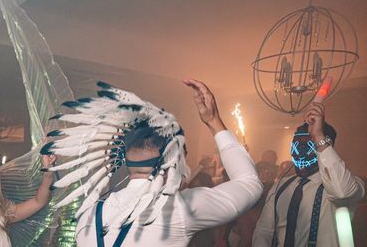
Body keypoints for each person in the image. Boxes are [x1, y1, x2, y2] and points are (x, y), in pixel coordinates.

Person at [46, 79, 263, 247]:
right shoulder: (179, 208)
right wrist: (214, 121)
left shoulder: (91, 212)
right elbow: (250, 184)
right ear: (172, 163)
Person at [252, 101, 365, 247]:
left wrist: (318, 136)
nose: (301, 150)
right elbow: (265, 230)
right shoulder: (282, 185)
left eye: (309, 143)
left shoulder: (350, 184)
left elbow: (342, 192)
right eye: (297, 143)